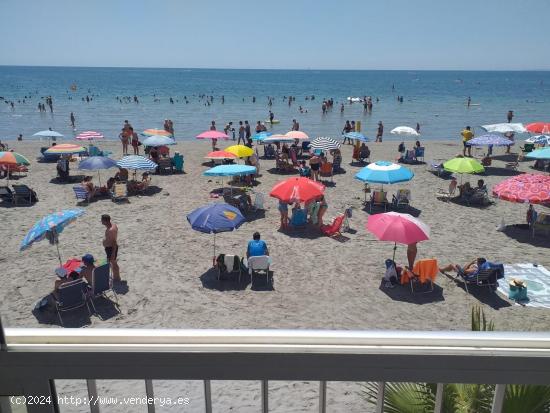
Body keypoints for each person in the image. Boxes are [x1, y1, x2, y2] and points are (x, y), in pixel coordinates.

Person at [101, 214, 120, 282]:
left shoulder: (110, 230)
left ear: (105, 221)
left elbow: (114, 242)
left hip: (111, 249)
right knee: (113, 263)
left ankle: (117, 278)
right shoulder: (113, 225)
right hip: (110, 248)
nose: (101, 221)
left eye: (102, 220)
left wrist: (113, 253)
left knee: (113, 263)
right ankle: (116, 277)